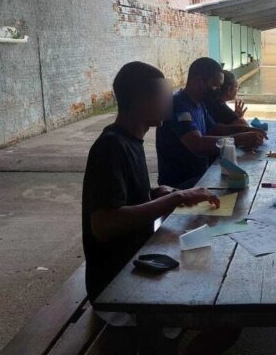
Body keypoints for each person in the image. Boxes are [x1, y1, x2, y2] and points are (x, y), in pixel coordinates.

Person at [82, 62, 221, 313]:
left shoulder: (130, 141)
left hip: (140, 261)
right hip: (117, 285)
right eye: (164, 96)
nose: (170, 102)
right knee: (222, 316)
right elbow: (103, 225)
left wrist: (155, 194)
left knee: (211, 266)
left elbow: (126, 200)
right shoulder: (110, 147)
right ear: (141, 100)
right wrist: (175, 198)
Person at [156, 58, 266, 189]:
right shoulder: (178, 105)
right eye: (215, 86)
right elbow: (197, 144)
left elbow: (216, 128)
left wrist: (245, 130)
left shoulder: (199, 103)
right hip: (181, 183)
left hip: (201, 174)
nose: (218, 91)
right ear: (198, 81)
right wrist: (240, 139)